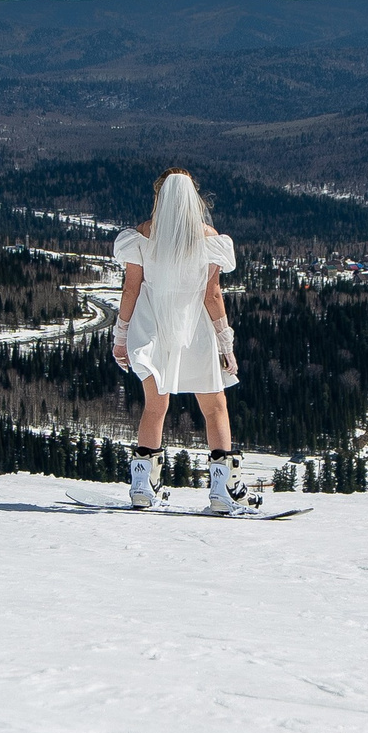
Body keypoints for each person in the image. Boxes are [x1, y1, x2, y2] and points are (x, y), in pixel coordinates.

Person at [111, 170, 243, 511]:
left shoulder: (142, 235)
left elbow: (131, 289)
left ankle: (143, 485)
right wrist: (225, 342)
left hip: (153, 325)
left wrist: (121, 335)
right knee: (214, 407)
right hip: (194, 328)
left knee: (155, 406)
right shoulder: (209, 238)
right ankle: (222, 491)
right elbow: (212, 294)